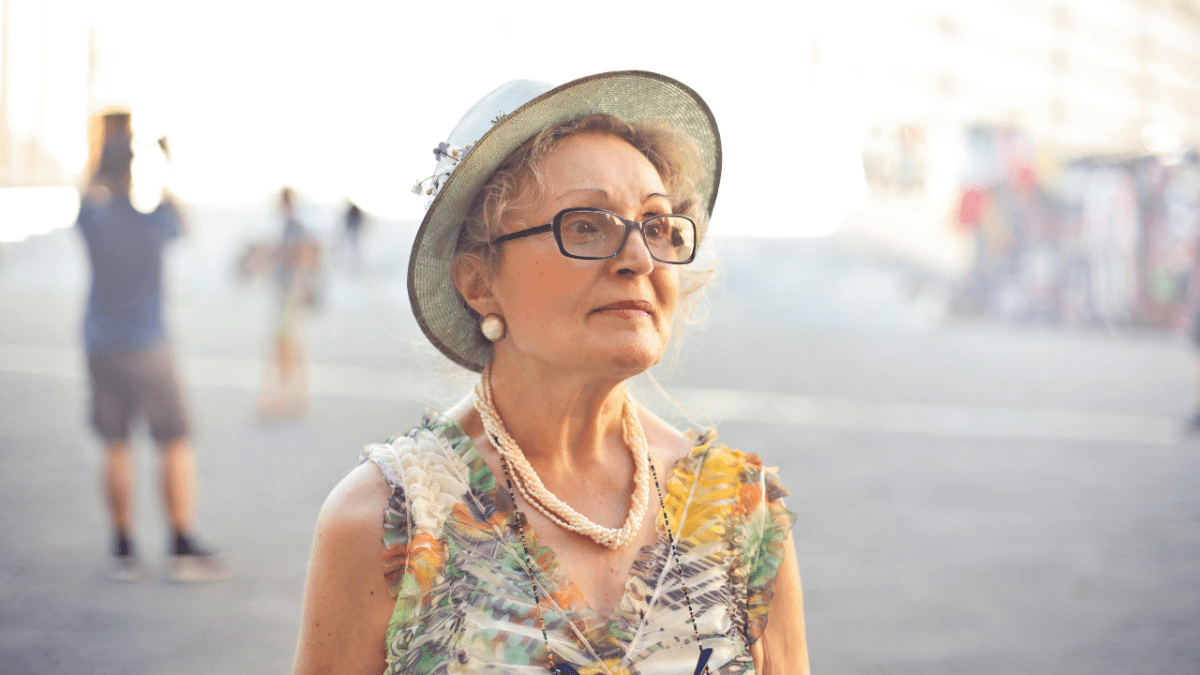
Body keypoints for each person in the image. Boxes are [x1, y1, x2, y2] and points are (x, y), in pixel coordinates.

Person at [293, 71, 810, 675]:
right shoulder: (390, 522)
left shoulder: (739, 514)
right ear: (478, 281)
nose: (639, 259)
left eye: (657, 225)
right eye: (587, 225)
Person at [77, 110, 229, 583]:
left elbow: (85, 193)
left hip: (101, 345)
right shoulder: (153, 223)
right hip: (147, 346)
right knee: (174, 440)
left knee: (115, 442)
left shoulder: (94, 220)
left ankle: (123, 549)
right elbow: (182, 221)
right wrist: (165, 164)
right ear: (134, 174)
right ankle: (180, 542)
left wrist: (103, 156)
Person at [258, 187, 322, 420]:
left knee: (285, 346)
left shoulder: (295, 228)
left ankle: (284, 396)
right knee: (290, 344)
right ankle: (296, 395)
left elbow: (306, 256)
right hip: (289, 295)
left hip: (291, 296)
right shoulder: (291, 227)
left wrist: (298, 289)